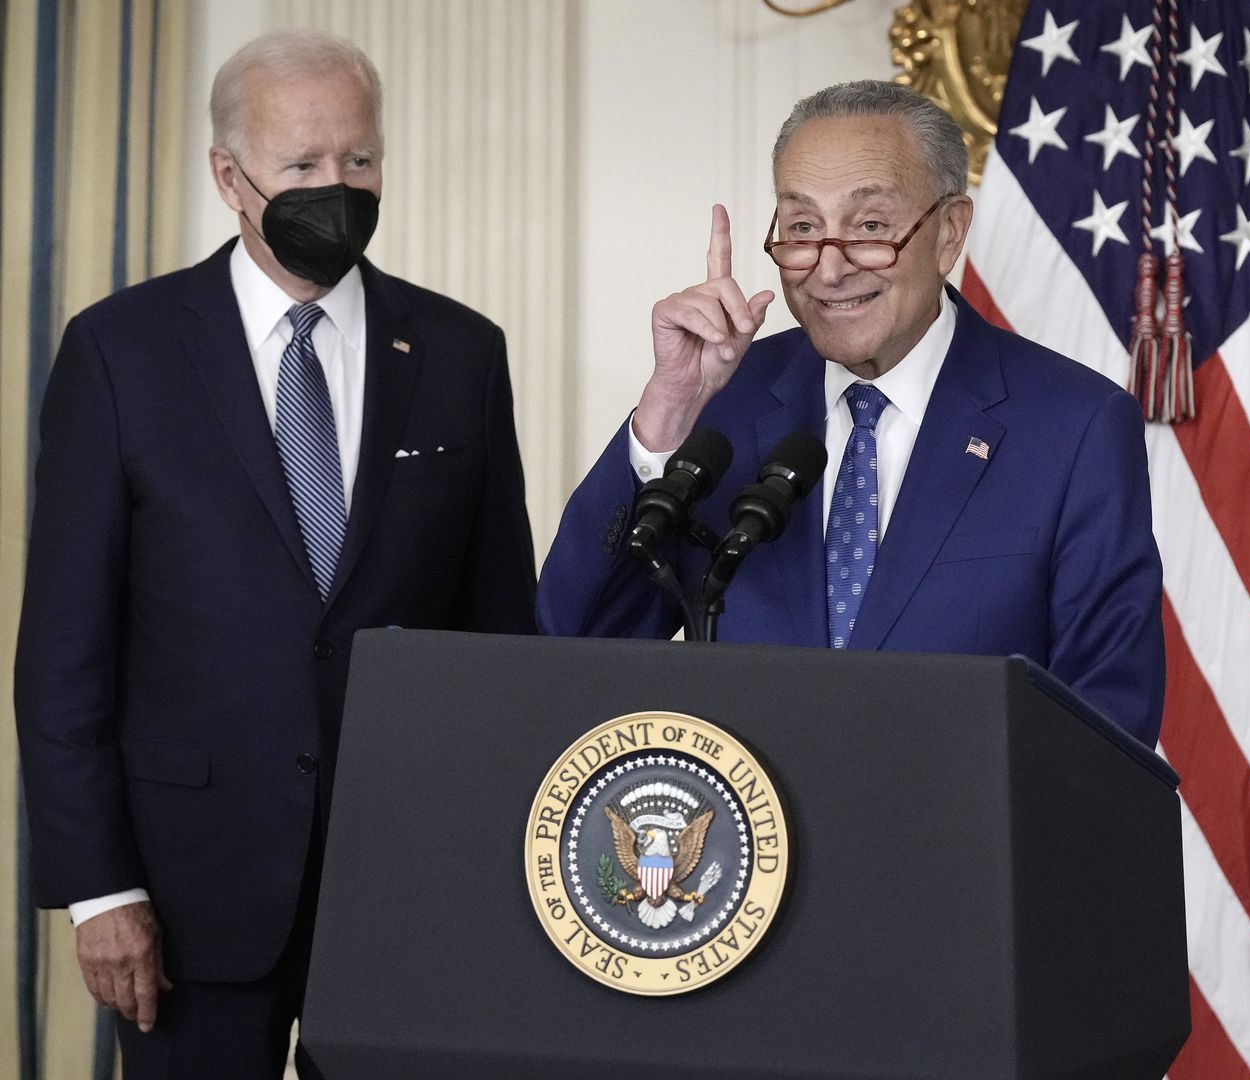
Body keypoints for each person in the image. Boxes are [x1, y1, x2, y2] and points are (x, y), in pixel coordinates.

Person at [13, 29, 536, 1077]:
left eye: (360, 161)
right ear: (229, 176)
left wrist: (497, 869)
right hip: (185, 891)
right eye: (302, 167)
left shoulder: (460, 352)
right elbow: (65, 647)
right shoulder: (121, 351)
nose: (337, 188)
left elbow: (499, 638)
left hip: (407, 884)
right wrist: (101, 890)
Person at [538, 80, 1164, 744]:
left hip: (960, 843)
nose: (828, 270)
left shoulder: (1075, 427)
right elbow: (573, 648)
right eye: (803, 228)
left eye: (870, 226)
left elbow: (1106, 730)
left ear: (949, 232)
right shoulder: (724, 402)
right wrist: (666, 415)